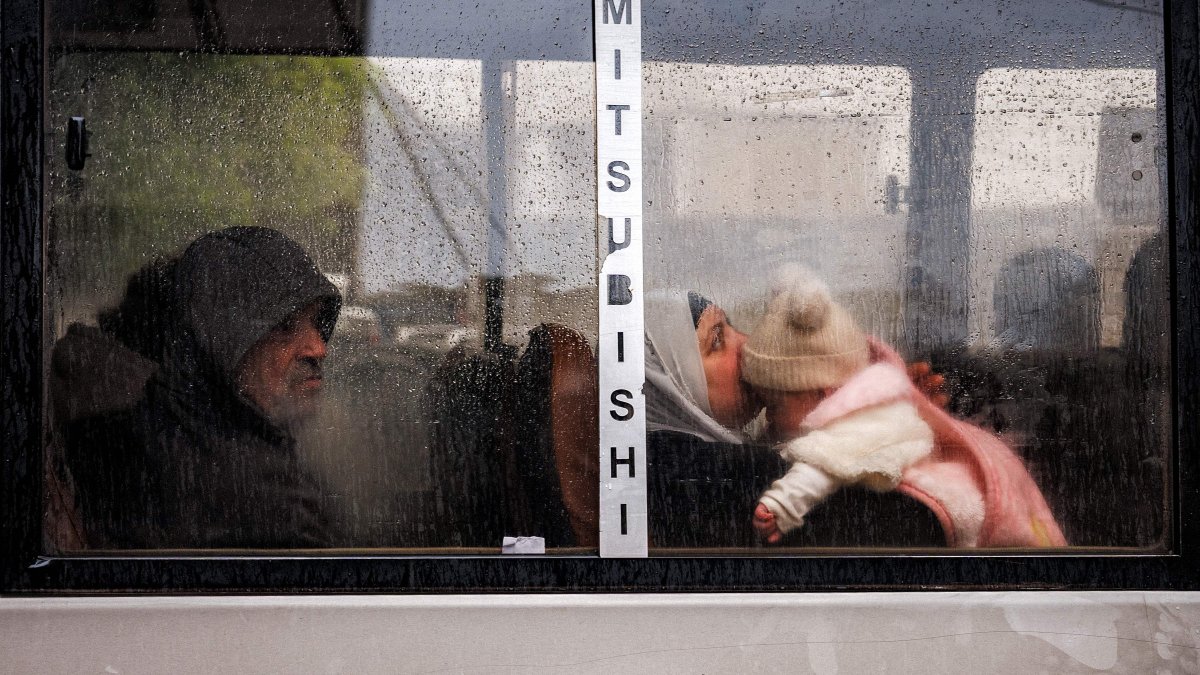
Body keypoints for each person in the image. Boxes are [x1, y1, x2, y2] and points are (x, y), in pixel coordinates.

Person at [743, 266, 1067, 548]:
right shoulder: (859, 400)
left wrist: (783, 505)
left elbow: (823, 464)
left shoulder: (862, 423)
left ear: (824, 393)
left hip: (971, 526)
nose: (768, 418)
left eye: (773, 405)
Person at [61, 226, 342, 549]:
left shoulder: (173, 427)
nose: (319, 348)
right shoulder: (251, 494)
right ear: (218, 342)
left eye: (317, 322)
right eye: (283, 326)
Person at [644, 289, 948, 548]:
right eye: (717, 340)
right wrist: (879, 425)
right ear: (671, 385)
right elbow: (893, 517)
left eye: (732, 327)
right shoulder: (689, 474)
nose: (748, 345)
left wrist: (872, 405)